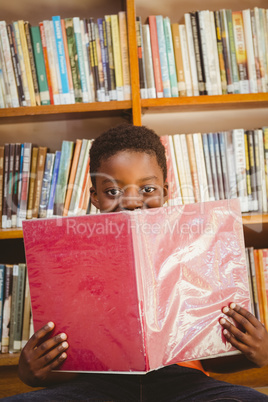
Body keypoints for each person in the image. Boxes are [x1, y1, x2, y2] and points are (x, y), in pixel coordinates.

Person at [5, 124, 268, 401]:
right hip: (99, 384)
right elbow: (68, 358)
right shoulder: (65, 257)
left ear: (165, 192)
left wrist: (258, 353)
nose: (131, 201)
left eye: (147, 188)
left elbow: (214, 358)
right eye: (113, 191)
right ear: (95, 197)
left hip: (182, 380)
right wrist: (29, 372)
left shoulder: (198, 248)